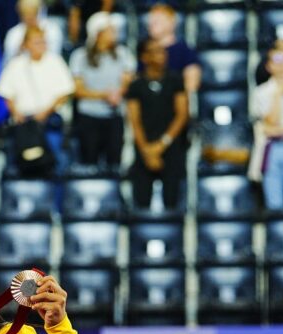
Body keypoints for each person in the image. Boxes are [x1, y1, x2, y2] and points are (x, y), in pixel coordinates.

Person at [0, 26, 75, 175]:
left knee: (55, 163)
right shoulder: (16, 64)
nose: (42, 45)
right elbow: (6, 93)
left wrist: (45, 112)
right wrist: (15, 112)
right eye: (37, 42)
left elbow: (65, 92)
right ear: (26, 44)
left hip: (49, 122)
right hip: (23, 123)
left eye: (43, 42)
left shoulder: (55, 61)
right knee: (18, 165)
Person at [126, 39, 188, 210]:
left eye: (163, 51)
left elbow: (182, 114)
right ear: (144, 57)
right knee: (141, 203)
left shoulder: (175, 80)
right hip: (143, 150)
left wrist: (162, 144)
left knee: (172, 203)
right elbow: (134, 120)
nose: (162, 55)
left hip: (171, 149)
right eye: (156, 51)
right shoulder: (136, 85)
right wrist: (147, 151)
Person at [69, 12, 134, 168]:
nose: (115, 34)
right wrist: (104, 95)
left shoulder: (123, 54)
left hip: (114, 116)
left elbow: (127, 81)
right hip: (89, 117)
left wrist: (118, 93)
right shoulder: (80, 56)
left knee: (114, 163)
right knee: (89, 162)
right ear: (97, 33)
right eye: (110, 30)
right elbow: (78, 90)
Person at [253, 42, 283, 212]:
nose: (281, 64)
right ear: (268, 65)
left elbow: (271, 128)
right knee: (274, 205)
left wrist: (277, 130)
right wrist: (278, 95)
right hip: (272, 150)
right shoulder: (262, 91)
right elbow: (270, 123)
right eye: (276, 60)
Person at [146, 4, 200, 95]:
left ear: (172, 23)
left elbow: (192, 84)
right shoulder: (145, 52)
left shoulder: (184, 51)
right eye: (150, 21)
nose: (151, 24)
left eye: (157, 21)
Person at [2, 0, 62, 65]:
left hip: (47, 68)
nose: (29, 17)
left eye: (33, 13)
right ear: (20, 14)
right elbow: (7, 62)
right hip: (20, 70)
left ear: (38, 11)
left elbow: (55, 56)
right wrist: (19, 50)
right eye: (25, 14)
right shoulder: (13, 34)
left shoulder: (52, 30)